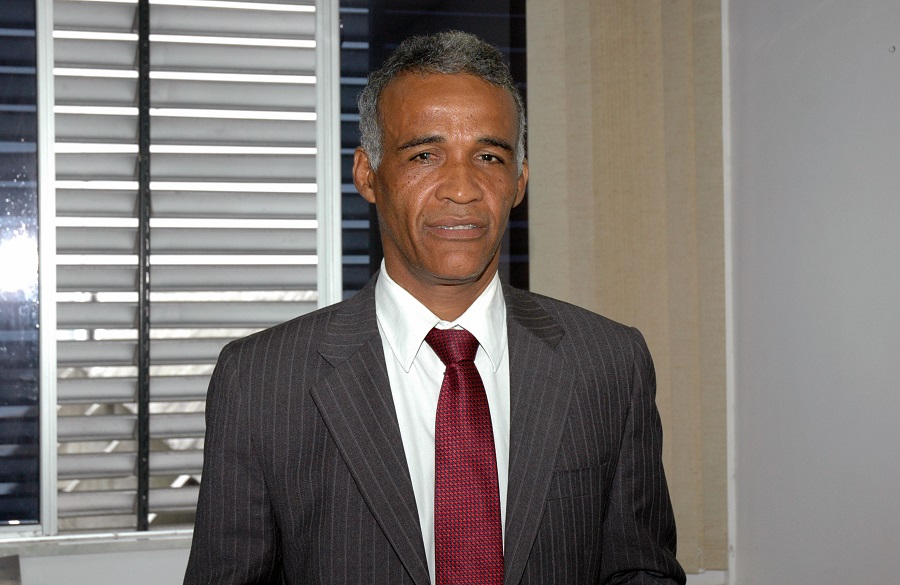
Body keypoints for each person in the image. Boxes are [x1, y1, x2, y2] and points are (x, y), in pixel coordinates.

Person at [184, 30, 685, 585]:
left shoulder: (609, 363)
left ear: (519, 180)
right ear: (367, 174)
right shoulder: (262, 381)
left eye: (489, 157)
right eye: (425, 155)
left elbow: (641, 570)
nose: (462, 189)